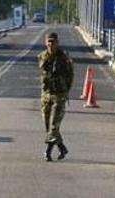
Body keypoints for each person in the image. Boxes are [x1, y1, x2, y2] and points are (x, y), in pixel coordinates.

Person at [38, 32, 74, 161]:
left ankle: (47, 152)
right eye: (49, 42)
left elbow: (70, 75)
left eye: (53, 42)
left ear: (58, 43)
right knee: (48, 125)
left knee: (54, 126)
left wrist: (65, 91)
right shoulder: (42, 56)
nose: (51, 44)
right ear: (45, 42)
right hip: (46, 95)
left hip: (59, 95)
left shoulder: (64, 57)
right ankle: (62, 147)